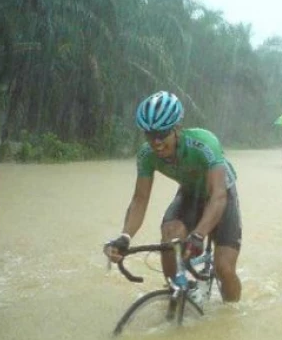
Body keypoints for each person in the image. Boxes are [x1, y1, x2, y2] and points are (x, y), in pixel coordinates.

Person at [104, 91, 242, 302]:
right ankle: (176, 293)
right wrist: (125, 237)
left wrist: (198, 235)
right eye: (150, 136)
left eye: (162, 134)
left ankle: (231, 318)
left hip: (221, 194)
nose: (156, 142)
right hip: (189, 192)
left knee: (224, 267)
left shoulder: (204, 143)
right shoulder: (146, 155)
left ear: (177, 129)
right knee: (170, 236)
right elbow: (140, 200)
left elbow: (218, 195)